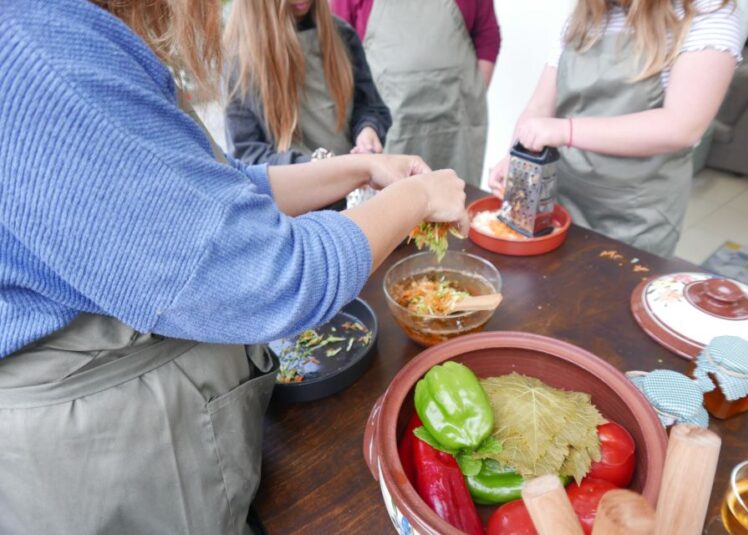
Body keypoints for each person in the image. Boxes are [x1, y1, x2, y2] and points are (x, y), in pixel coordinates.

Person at [0, 0, 468, 533]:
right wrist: (416, 199)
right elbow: (274, 275)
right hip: (101, 467)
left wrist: (360, 167)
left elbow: (213, 194)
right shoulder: (40, 50)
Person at [489, 0, 741, 257]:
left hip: (634, 215)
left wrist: (565, 130)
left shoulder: (707, 14)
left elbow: (682, 126)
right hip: (558, 197)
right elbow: (540, 106)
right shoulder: (587, 16)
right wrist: (516, 157)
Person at [332, 0, 501, 186]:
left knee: (455, 203)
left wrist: (472, 98)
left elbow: (487, 37)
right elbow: (340, 51)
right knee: (392, 208)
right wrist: (364, 126)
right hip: (386, 126)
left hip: (456, 127)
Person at [224, 0, 392, 167]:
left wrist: (367, 130)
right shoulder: (238, 61)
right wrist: (316, 165)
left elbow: (369, 105)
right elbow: (247, 154)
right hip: (292, 189)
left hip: (355, 182)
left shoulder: (343, 35)